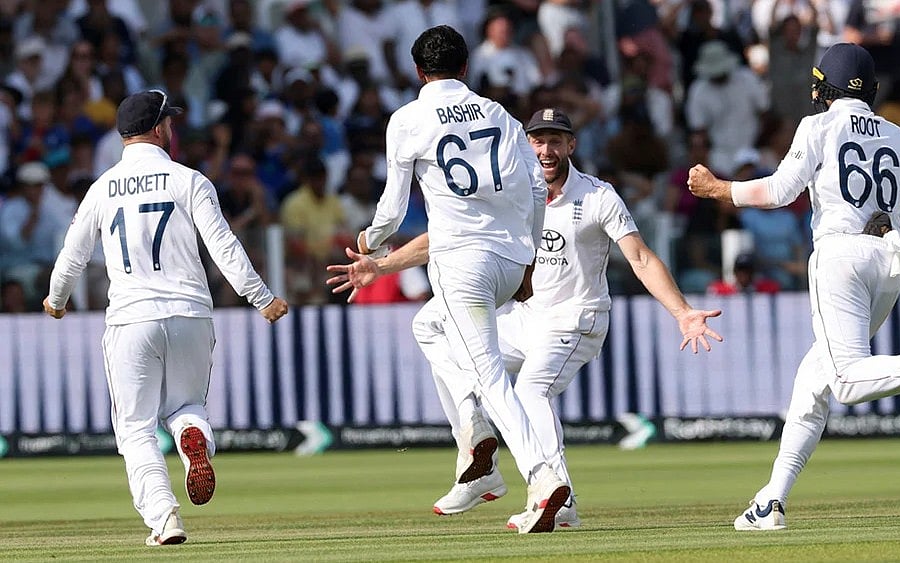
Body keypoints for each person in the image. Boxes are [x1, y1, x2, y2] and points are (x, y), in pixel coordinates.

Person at [331, 108, 723, 529]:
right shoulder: (514, 192)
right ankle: (476, 448)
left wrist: (682, 313)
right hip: (526, 317)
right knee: (432, 325)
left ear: (572, 146)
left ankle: (558, 499)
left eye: (556, 141)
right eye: (538, 140)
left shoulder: (597, 195)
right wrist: (382, 266)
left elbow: (641, 258)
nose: (546, 150)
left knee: (529, 390)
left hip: (578, 318)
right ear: (526, 144)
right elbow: (449, 237)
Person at [686, 43, 900, 531]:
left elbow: (779, 191)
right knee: (813, 385)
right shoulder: (899, 135)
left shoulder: (818, 125)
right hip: (891, 262)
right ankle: (771, 502)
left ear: (823, 87)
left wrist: (722, 189)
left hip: (840, 255)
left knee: (845, 379)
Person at [42, 90, 289, 546]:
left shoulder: (102, 187)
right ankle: (192, 434)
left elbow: (72, 255)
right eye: (169, 123)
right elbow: (223, 246)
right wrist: (262, 297)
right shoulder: (189, 180)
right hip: (190, 312)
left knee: (135, 428)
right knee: (186, 405)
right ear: (159, 128)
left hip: (131, 318)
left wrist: (56, 299)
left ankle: (164, 518)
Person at [354, 25, 567, 534]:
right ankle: (476, 450)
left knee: (490, 375)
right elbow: (538, 190)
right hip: (510, 259)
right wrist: (531, 257)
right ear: (466, 67)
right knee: (428, 328)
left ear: (417, 71)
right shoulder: (499, 114)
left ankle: (541, 476)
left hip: (460, 265)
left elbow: (392, 206)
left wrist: (369, 241)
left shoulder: (407, 119)